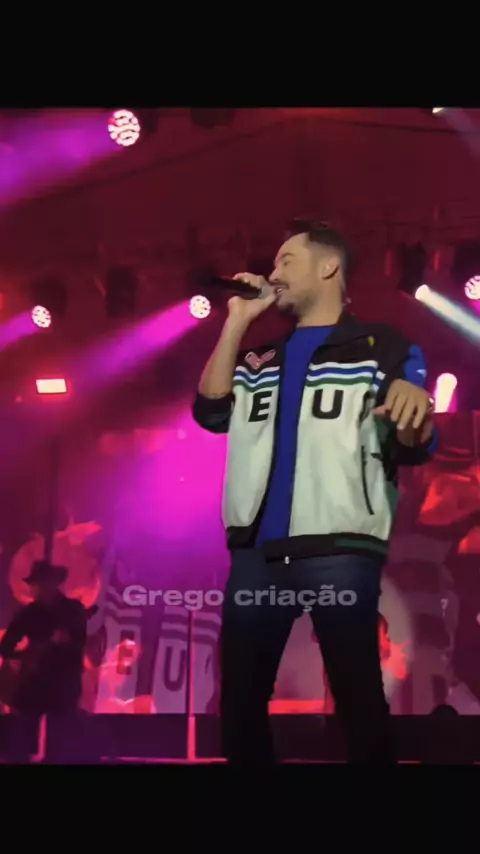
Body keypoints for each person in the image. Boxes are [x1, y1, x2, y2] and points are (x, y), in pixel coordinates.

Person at [192, 218, 437, 764]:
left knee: (356, 694)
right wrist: (237, 322)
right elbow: (210, 412)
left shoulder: (383, 346)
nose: (273, 272)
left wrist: (414, 415)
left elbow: (414, 442)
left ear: (328, 267)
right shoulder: (258, 359)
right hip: (256, 553)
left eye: (287, 261)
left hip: (339, 547)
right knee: (241, 701)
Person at [0, 560, 89, 763]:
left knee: (60, 740)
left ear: (54, 583)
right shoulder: (28, 613)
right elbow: (5, 647)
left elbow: (79, 643)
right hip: (35, 680)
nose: (37, 588)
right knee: (22, 737)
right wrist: (25, 657)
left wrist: (65, 643)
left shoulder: (73, 610)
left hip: (63, 680)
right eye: (36, 584)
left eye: (41, 583)